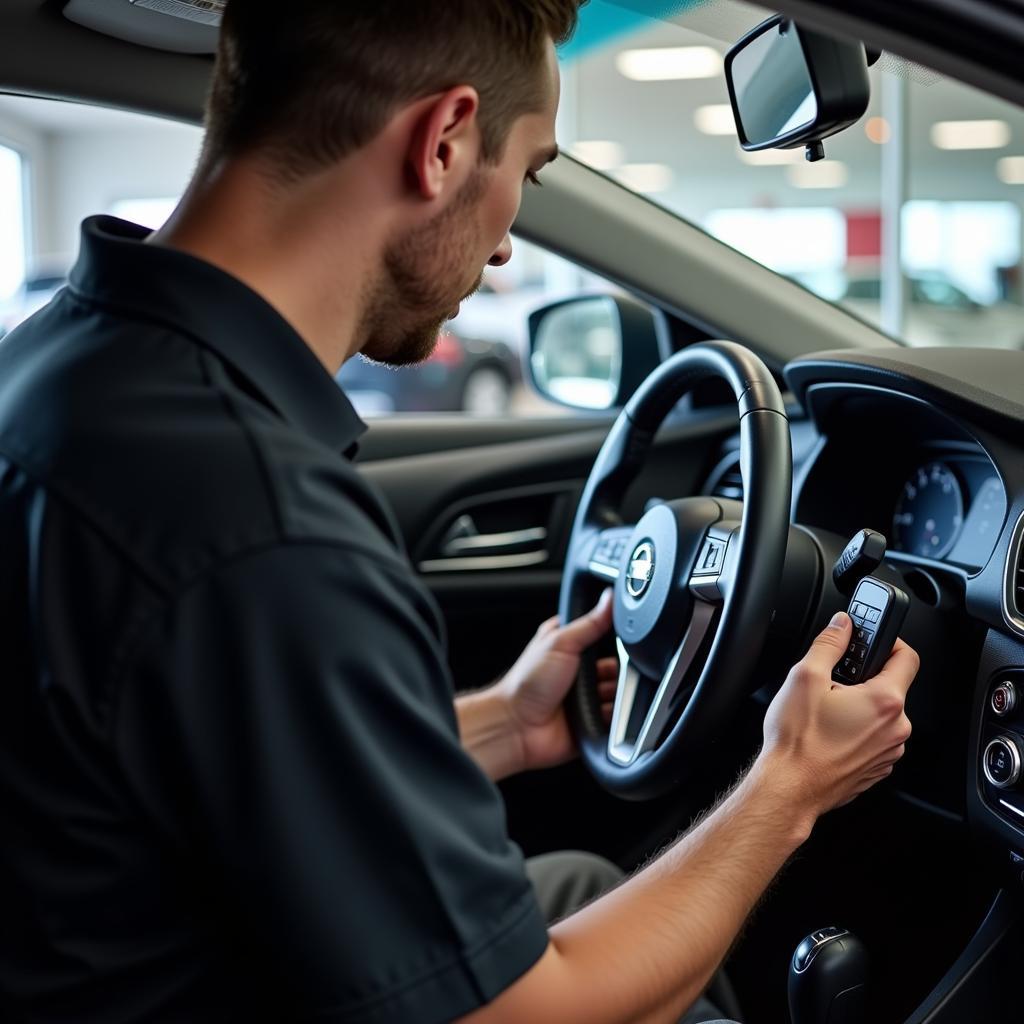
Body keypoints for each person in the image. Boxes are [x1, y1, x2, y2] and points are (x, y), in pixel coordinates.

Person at [0, 2, 918, 1022]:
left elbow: (200, 748)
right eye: (524, 177)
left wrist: (502, 724)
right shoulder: (263, 522)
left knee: (572, 879)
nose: (504, 251)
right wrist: (787, 783)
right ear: (443, 142)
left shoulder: (58, 368)